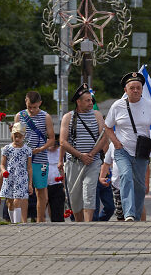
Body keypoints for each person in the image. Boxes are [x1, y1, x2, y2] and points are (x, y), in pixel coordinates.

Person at [105, 72, 151, 221]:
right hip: (122, 150)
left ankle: (135, 216)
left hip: (141, 151)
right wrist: (116, 142)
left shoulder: (150, 105)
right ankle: (128, 213)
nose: (135, 90)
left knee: (140, 186)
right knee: (125, 176)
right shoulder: (117, 105)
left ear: (142, 89)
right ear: (125, 90)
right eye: (132, 88)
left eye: (138, 87)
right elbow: (107, 126)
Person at [59, 84, 106, 222]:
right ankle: (79, 224)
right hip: (74, 162)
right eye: (87, 100)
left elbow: (104, 137)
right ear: (78, 102)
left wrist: (91, 154)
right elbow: (63, 142)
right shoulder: (68, 117)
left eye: (91, 100)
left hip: (93, 161)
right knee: (75, 197)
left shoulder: (97, 115)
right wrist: (80, 155)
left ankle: (88, 224)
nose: (91, 103)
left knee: (89, 193)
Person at [18, 91, 55, 221]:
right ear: (25, 102)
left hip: (41, 159)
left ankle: (40, 219)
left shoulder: (46, 117)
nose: (32, 110)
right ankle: (23, 220)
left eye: (35, 107)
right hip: (23, 159)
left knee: (41, 190)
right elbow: (15, 138)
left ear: (40, 103)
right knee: (22, 190)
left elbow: (52, 139)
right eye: (29, 107)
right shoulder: (20, 116)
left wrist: (40, 149)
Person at [0, 122, 33, 223]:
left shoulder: (27, 150)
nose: (17, 139)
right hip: (10, 177)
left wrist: (30, 184)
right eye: (15, 136)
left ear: (24, 136)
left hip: (21, 178)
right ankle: (13, 221)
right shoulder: (7, 148)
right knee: (10, 202)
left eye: (19, 136)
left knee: (17, 200)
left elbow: (29, 168)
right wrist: (4, 171)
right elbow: (2, 164)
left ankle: (16, 224)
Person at [47, 134, 65, 222]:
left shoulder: (60, 152)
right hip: (43, 184)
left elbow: (62, 169)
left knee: (57, 210)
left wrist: (64, 186)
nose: (54, 146)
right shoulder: (42, 151)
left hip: (57, 184)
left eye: (56, 143)